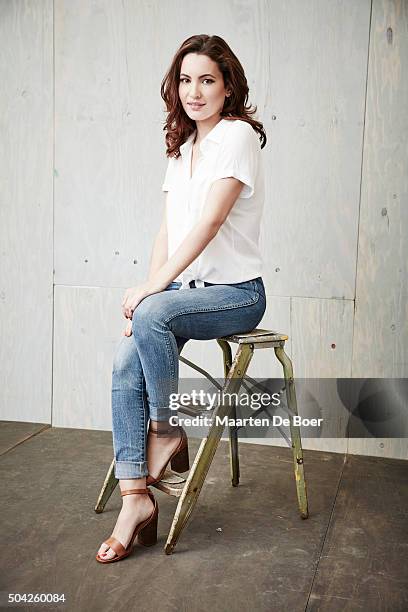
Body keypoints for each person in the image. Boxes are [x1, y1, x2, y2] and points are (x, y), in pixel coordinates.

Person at [96, 34, 267, 563]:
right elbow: (169, 233)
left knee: (149, 315)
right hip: (185, 293)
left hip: (236, 292)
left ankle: (167, 432)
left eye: (207, 80)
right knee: (125, 362)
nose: (195, 91)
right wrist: (151, 291)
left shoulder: (237, 137)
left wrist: (151, 294)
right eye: (186, 79)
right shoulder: (184, 147)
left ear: (228, 85)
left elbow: (210, 224)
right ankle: (135, 501)